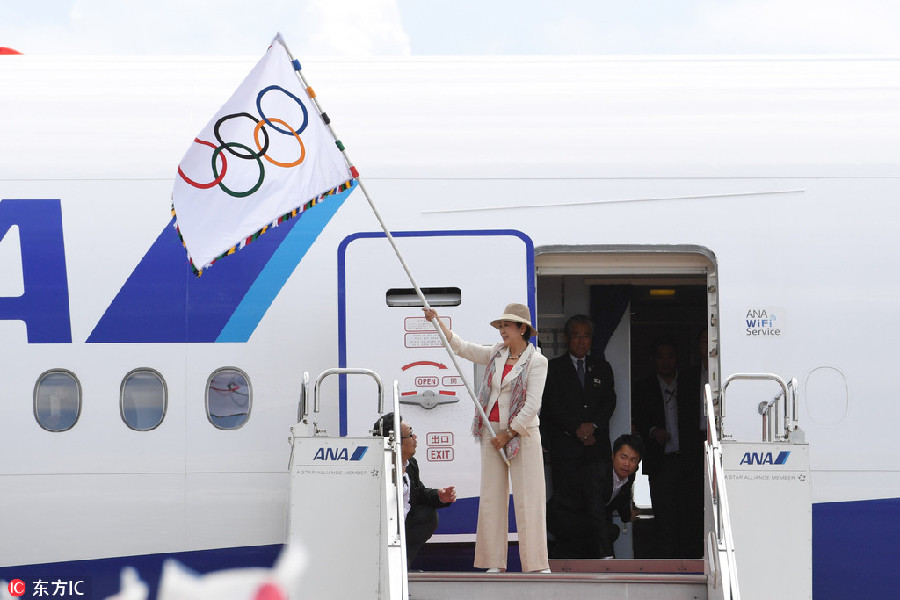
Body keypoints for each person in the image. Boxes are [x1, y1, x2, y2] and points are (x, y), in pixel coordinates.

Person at [424, 303, 550, 573]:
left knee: (530, 499)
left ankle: (537, 565)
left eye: (507, 326)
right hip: (491, 431)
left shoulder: (537, 361)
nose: (502, 330)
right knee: (492, 497)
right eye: (501, 326)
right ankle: (494, 562)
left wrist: (509, 433)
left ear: (522, 329)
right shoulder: (497, 353)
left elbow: (532, 405)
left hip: (522, 434)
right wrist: (438, 323)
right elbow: (464, 348)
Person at [541, 314, 617, 558]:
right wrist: (577, 428)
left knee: (598, 506)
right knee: (566, 507)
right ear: (567, 338)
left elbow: (609, 401)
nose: (582, 342)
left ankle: (601, 555)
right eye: (577, 336)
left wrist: (592, 426)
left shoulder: (602, 367)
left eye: (586, 336)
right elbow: (552, 405)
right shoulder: (553, 368)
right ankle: (568, 558)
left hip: (596, 450)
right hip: (567, 451)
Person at [631, 335, 703, 558]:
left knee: (691, 516)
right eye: (661, 357)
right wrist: (653, 431)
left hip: (691, 461)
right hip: (661, 463)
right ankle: (668, 563)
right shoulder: (643, 387)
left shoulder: (691, 382)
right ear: (653, 359)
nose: (666, 362)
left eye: (670, 356)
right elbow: (638, 420)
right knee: (664, 519)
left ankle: (691, 562)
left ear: (677, 358)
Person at [373, 412, 457, 565]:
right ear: (396, 441)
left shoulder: (410, 464)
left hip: (404, 523)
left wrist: (440, 496)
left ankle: (403, 564)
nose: (416, 437)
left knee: (427, 516)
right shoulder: (377, 468)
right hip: (380, 528)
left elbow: (419, 493)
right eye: (410, 434)